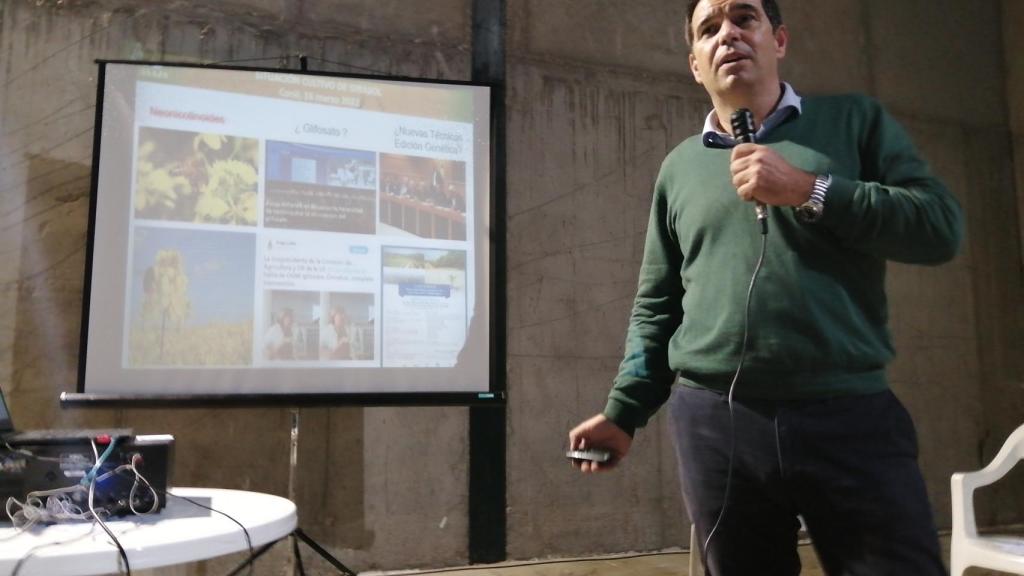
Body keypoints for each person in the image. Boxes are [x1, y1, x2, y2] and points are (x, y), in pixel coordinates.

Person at [567, 1, 963, 575]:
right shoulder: (678, 169)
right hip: (716, 423)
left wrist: (812, 189)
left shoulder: (855, 122)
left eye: (743, 18)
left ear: (778, 40)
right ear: (695, 65)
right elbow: (658, 305)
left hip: (847, 413)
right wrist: (624, 411)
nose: (727, 34)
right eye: (709, 28)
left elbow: (939, 229)